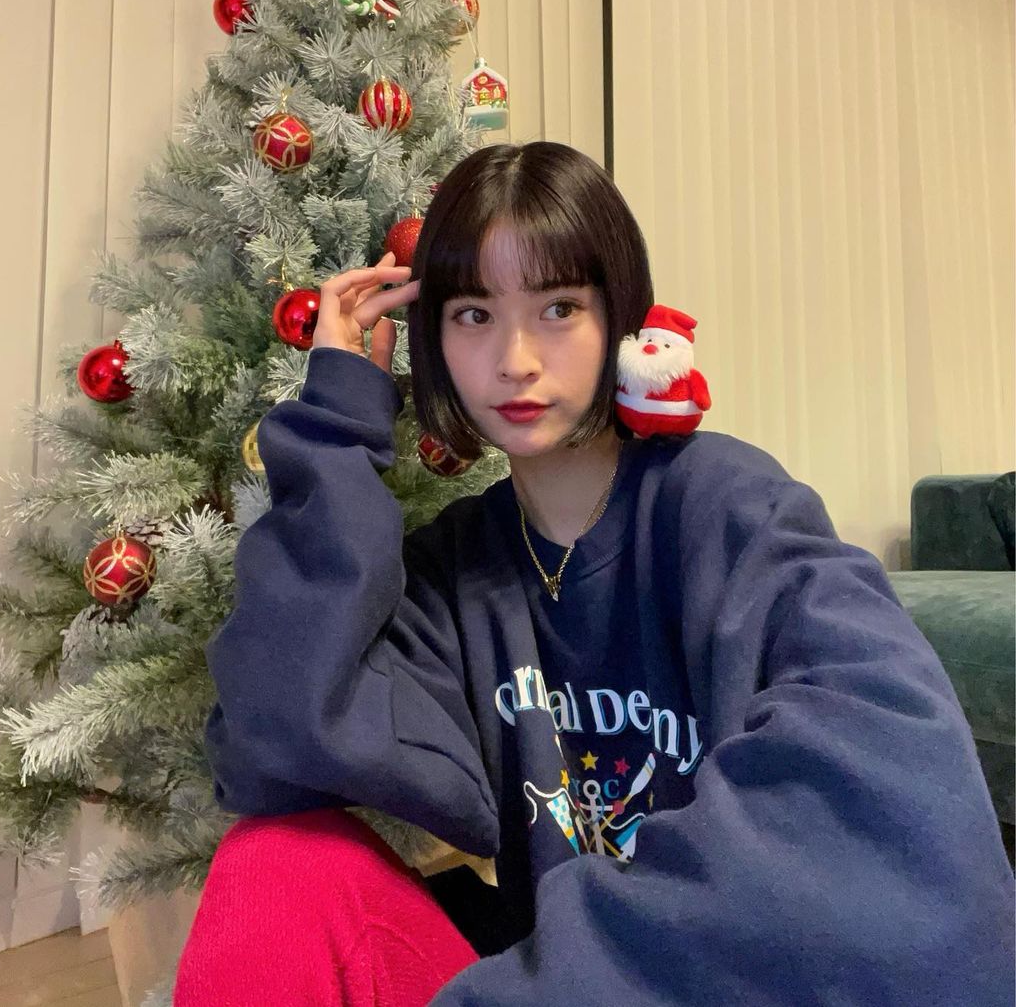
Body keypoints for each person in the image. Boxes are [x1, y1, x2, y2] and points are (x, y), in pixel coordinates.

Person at [177, 141, 1015, 1006]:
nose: (515, 358)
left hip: (709, 981)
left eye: (558, 308)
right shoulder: (456, 570)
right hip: (559, 974)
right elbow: (269, 745)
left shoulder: (729, 505)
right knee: (274, 865)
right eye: (473, 314)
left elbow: (892, 796)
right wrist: (337, 418)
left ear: (620, 318)